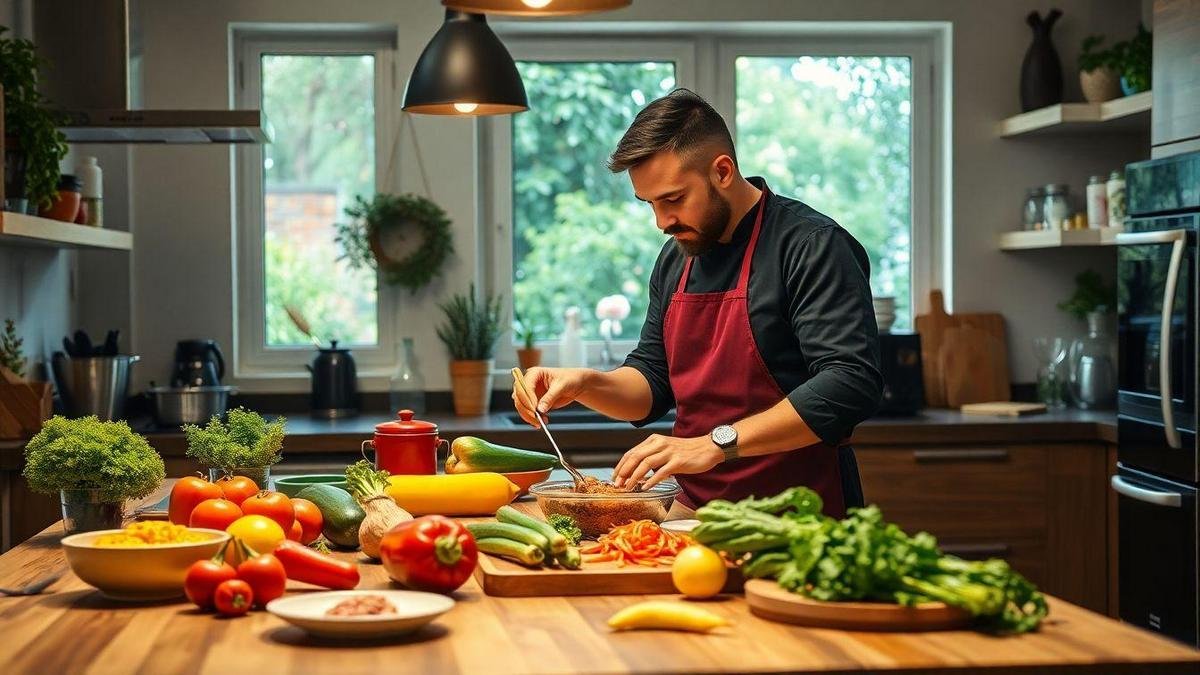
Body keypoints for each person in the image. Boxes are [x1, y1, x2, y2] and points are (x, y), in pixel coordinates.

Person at [512, 88, 882, 516]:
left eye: (673, 199)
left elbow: (850, 382)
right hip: (695, 511)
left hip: (798, 510)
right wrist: (585, 384)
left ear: (722, 171)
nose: (662, 222)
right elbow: (652, 383)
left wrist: (714, 444)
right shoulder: (677, 256)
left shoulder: (811, 246)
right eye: (650, 204)